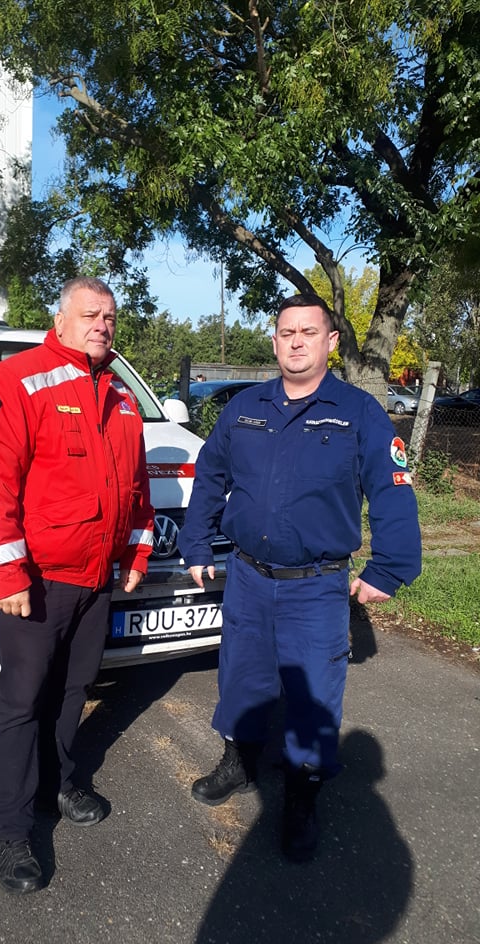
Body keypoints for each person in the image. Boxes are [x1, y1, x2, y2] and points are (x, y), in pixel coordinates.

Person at [178, 292, 421, 862]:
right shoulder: (244, 408)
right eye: (286, 332)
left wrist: (388, 567)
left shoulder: (358, 412)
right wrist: (195, 542)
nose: (295, 341)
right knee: (244, 678)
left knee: (313, 696)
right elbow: (210, 475)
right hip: (248, 578)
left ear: (331, 342)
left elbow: (393, 490)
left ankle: (301, 799)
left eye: (308, 332)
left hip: (317, 585)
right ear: (274, 340)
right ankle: (238, 762)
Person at [0, 276, 154, 894]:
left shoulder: (123, 397)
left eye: (110, 317)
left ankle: (59, 785)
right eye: (90, 314)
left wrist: (136, 552)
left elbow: (135, 490)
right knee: (21, 705)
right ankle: (12, 830)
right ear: (63, 318)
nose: (102, 324)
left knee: (74, 691)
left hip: (96, 581)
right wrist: (6, 572)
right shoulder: (17, 380)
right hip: (39, 583)